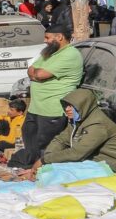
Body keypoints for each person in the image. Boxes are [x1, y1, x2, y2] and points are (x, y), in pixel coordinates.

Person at [10, 17, 83, 167]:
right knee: (30, 140)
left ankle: (43, 172)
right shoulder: (50, 53)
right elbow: (31, 70)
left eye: (47, 38)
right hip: (36, 108)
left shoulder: (70, 54)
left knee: (46, 146)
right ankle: (31, 169)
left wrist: (36, 74)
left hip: (52, 110)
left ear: (59, 37)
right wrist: (35, 74)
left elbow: (39, 74)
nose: (45, 41)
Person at [32, 89, 116, 178]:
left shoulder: (98, 124)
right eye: (66, 106)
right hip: (101, 166)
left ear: (84, 106)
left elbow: (77, 153)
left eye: (72, 106)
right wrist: (47, 159)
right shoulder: (77, 121)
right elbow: (60, 140)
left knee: (61, 177)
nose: (67, 109)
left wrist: (44, 160)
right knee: (50, 173)